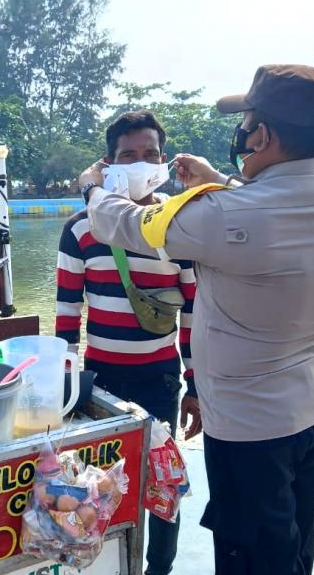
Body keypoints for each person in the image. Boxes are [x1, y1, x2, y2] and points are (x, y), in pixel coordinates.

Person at [79, 65, 314, 574]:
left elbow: (125, 223)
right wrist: (222, 181)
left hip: (251, 431)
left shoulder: (224, 216)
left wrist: (93, 190)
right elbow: (264, 215)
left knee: (252, 559)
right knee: (295, 548)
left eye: (248, 122)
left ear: (264, 135)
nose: (243, 133)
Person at [56, 110, 200, 575]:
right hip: (102, 383)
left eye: (150, 154)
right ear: (108, 165)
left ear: (162, 161)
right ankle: (107, 564)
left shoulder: (180, 227)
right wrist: (65, 386)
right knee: (100, 486)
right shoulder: (81, 229)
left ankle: (160, 569)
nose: (140, 163)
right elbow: (66, 318)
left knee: (162, 483)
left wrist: (195, 386)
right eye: (128, 156)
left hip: (160, 379)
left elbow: (194, 316)